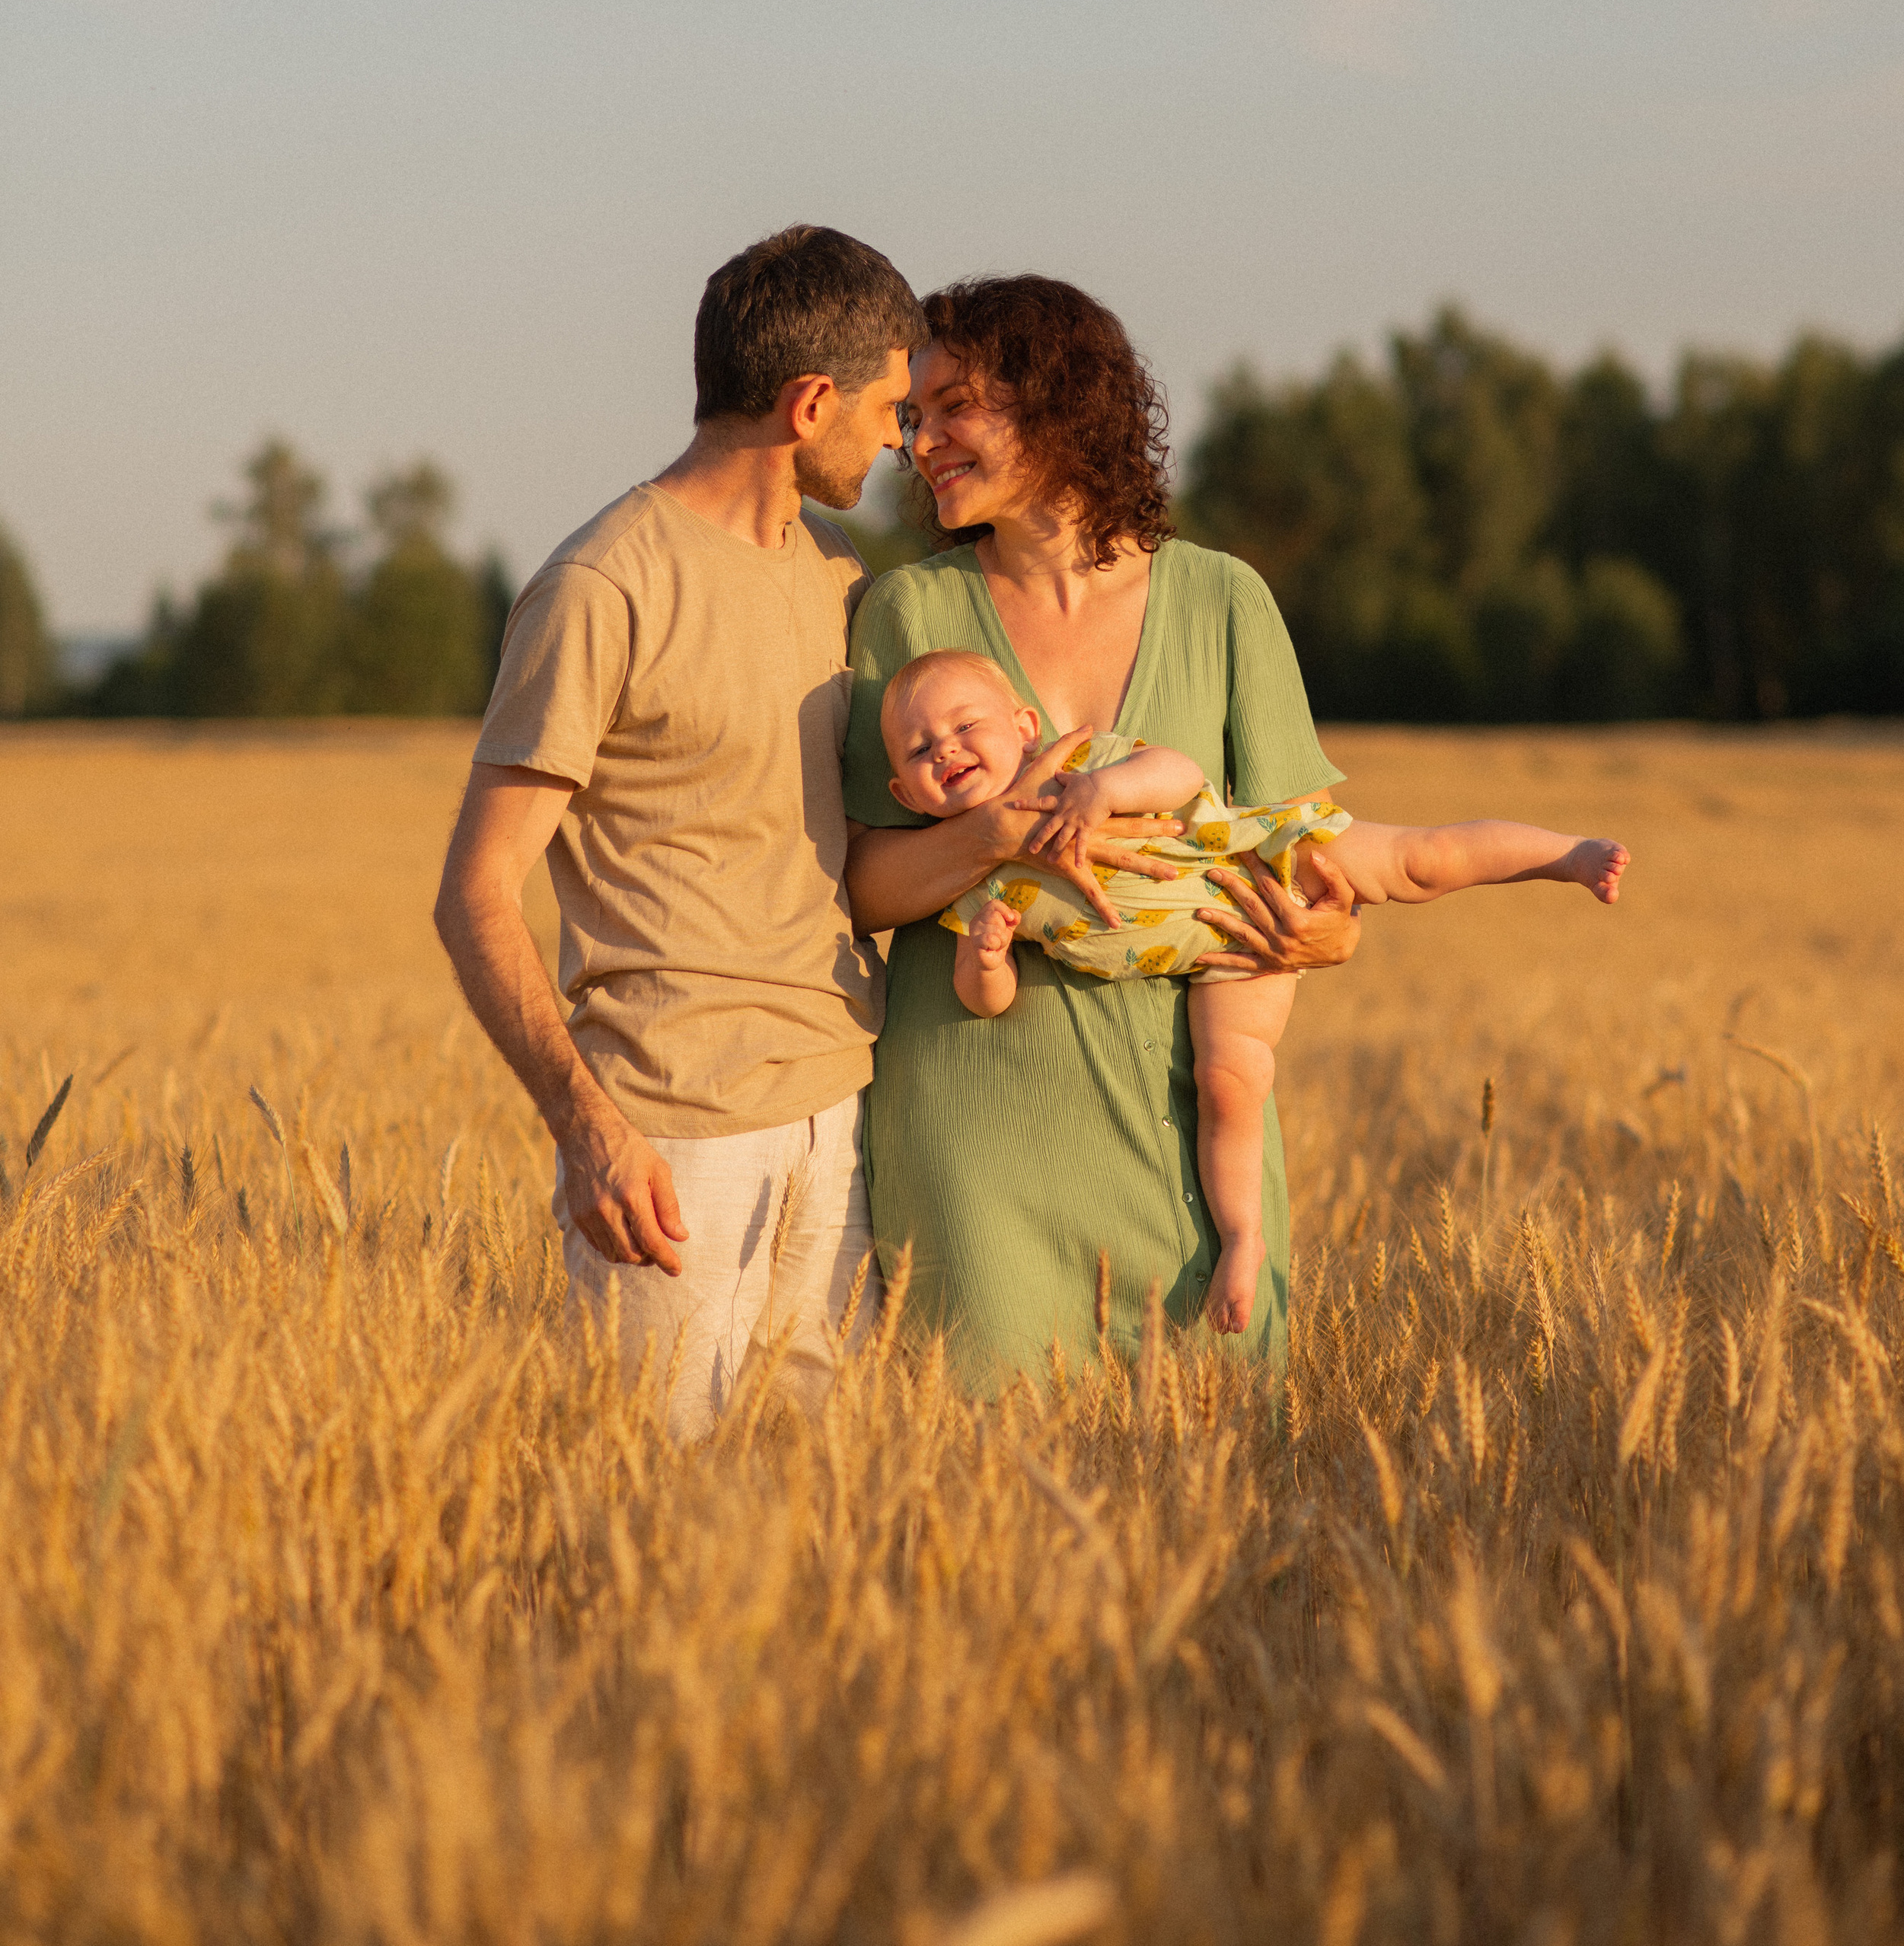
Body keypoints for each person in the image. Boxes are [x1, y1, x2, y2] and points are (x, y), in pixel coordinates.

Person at [432, 224, 926, 1440]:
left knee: (821, 1536)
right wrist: (588, 1127)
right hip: (675, 1146)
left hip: (844, 1115)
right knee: (650, 1523)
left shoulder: (835, 575)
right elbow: (476, 892)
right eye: (889, 410)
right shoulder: (604, 586)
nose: (900, 441)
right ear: (813, 403)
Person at [843, 273, 1367, 1391]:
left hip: (1192, 1141)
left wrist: (1337, 933)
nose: (919, 442)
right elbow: (863, 885)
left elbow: (1315, 858)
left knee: (1220, 1511)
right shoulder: (908, 615)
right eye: (910, 418)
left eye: (953, 408)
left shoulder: (1225, 603)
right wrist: (999, 831)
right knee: (985, 1531)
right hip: (974, 1132)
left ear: (1058, 403)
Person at [877, 648, 1628, 1329]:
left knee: (1419, 859)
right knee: (1228, 1082)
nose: (944, 747)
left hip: (1262, 855)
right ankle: (1242, 1240)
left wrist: (1104, 790)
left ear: (1024, 725)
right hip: (1222, 959)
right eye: (919, 749)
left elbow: (1179, 773)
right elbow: (988, 999)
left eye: (963, 724)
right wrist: (984, 960)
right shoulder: (973, 882)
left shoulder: (1080, 765)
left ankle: (1565, 854)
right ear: (904, 795)